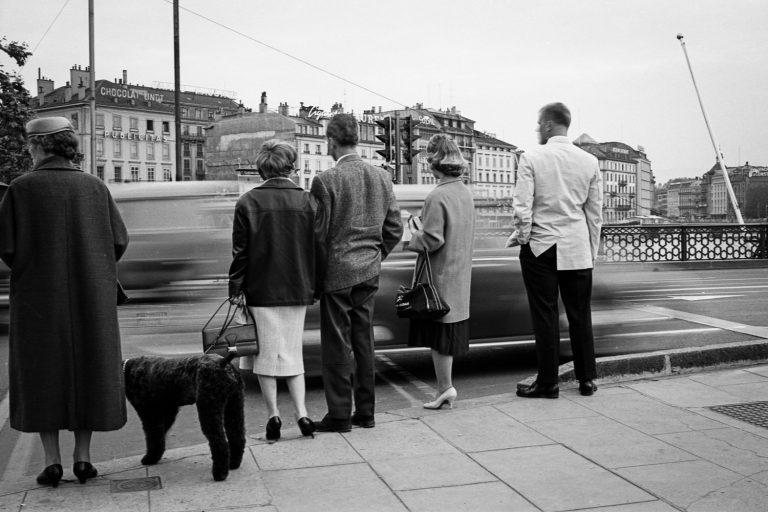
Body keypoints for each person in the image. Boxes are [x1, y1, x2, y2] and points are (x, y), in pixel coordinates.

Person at [0, 117, 129, 487]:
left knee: (43, 373)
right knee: (90, 367)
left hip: (39, 296)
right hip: (91, 293)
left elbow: (6, 245)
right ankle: (83, 458)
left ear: (39, 145)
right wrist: (96, 266)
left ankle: (52, 460)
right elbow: (119, 240)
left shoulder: (22, 189)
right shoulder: (95, 187)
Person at [310, 113, 403, 432]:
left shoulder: (326, 181)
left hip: (337, 274)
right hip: (368, 271)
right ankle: (366, 412)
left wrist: (316, 280)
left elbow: (318, 236)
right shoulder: (381, 177)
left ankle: (339, 415)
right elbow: (394, 228)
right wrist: (375, 257)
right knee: (364, 341)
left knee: (337, 345)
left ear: (331, 141)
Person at [228, 139, 322, 441]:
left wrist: (236, 287)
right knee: (293, 354)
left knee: (266, 356)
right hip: (297, 287)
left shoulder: (247, 203)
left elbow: (240, 252)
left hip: (261, 289)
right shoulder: (309, 202)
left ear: (261, 169)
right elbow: (317, 250)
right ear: (292, 167)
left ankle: (273, 416)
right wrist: (316, 285)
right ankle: (303, 413)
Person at [511, 102, 603, 399]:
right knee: (580, 314)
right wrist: (591, 251)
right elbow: (595, 214)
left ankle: (548, 382)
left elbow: (522, 206)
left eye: (540, 123)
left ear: (549, 124)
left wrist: (524, 237)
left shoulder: (531, 158)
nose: (538, 128)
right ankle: (587, 380)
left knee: (545, 315)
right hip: (576, 246)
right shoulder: (589, 162)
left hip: (541, 245)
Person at [406, 134, 475, 409]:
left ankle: (445, 388)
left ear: (435, 162)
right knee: (448, 336)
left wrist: (412, 236)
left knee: (440, 337)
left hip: (441, 274)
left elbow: (433, 239)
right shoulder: (464, 192)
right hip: (460, 273)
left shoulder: (437, 195)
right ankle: (444, 388)